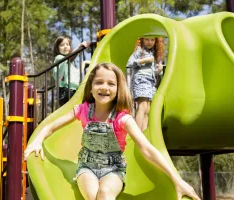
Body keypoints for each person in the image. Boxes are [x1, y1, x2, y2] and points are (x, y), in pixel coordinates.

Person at [24, 63, 200, 200]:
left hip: (113, 169)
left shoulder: (123, 119)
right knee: (93, 196)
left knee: (106, 193)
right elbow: (50, 126)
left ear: (118, 89)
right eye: (99, 82)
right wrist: (38, 140)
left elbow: (147, 149)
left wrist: (177, 179)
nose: (104, 87)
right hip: (87, 167)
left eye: (111, 84)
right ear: (91, 87)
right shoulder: (83, 110)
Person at [126, 37, 165, 131]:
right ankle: (137, 134)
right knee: (142, 106)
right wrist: (144, 60)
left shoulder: (153, 53)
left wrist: (159, 71)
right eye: (147, 39)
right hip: (141, 80)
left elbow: (152, 72)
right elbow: (129, 63)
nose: (149, 42)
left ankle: (143, 134)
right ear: (142, 40)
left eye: (152, 40)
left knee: (147, 109)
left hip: (150, 82)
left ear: (156, 41)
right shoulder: (140, 51)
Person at [53, 36, 90, 106]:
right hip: (65, 90)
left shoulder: (69, 63)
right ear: (57, 48)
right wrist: (80, 47)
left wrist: (84, 63)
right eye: (62, 45)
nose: (65, 47)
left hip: (72, 89)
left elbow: (76, 72)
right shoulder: (59, 58)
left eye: (67, 44)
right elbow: (70, 57)